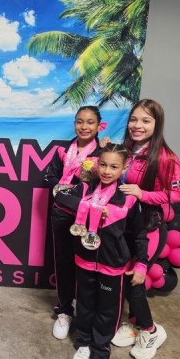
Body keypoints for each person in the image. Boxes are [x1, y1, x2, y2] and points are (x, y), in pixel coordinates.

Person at [53, 143, 149, 359]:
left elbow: (139, 234)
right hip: (84, 259)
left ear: (124, 167)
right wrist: (90, 207)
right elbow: (60, 197)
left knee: (108, 311)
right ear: (96, 165)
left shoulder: (128, 198)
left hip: (112, 265)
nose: (107, 171)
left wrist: (141, 263)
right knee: (85, 306)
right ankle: (84, 344)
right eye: (103, 165)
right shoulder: (85, 188)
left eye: (114, 167)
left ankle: (99, 352)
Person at [111, 99, 180, 359]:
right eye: (133, 119)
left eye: (145, 120)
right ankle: (134, 323)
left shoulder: (166, 157)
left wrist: (143, 194)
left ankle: (151, 331)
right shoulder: (127, 149)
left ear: (157, 124)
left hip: (149, 228)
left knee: (135, 279)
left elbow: (176, 195)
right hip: (126, 227)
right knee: (122, 276)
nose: (137, 125)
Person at [44, 106, 105, 340]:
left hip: (90, 218)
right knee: (63, 262)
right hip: (61, 213)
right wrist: (64, 190)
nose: (84, 126)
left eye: (90, 122)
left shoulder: (102, 153)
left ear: (98, 126)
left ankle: (85, 311)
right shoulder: (62, 151)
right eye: (80, 121)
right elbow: (49, 177)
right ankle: (64, 311)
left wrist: (71, 191)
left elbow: (103, 185)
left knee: (87, 265)